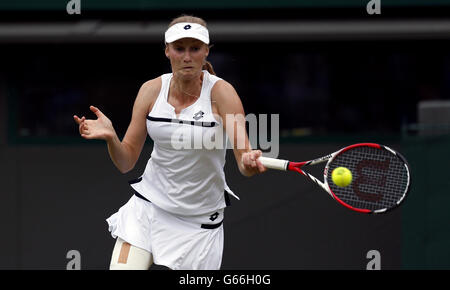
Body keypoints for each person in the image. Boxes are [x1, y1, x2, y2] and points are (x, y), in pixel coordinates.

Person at [73, 15, 266, 270]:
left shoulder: (223, 93)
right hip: (147, 210)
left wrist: (249, 162)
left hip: (199, 224)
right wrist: (111, 138)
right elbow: (125, 162)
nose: (187, 56)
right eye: (179, 48)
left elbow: (244, 159)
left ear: (206, 51)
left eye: (195, 48)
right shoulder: (151, 90)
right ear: (167, 51)